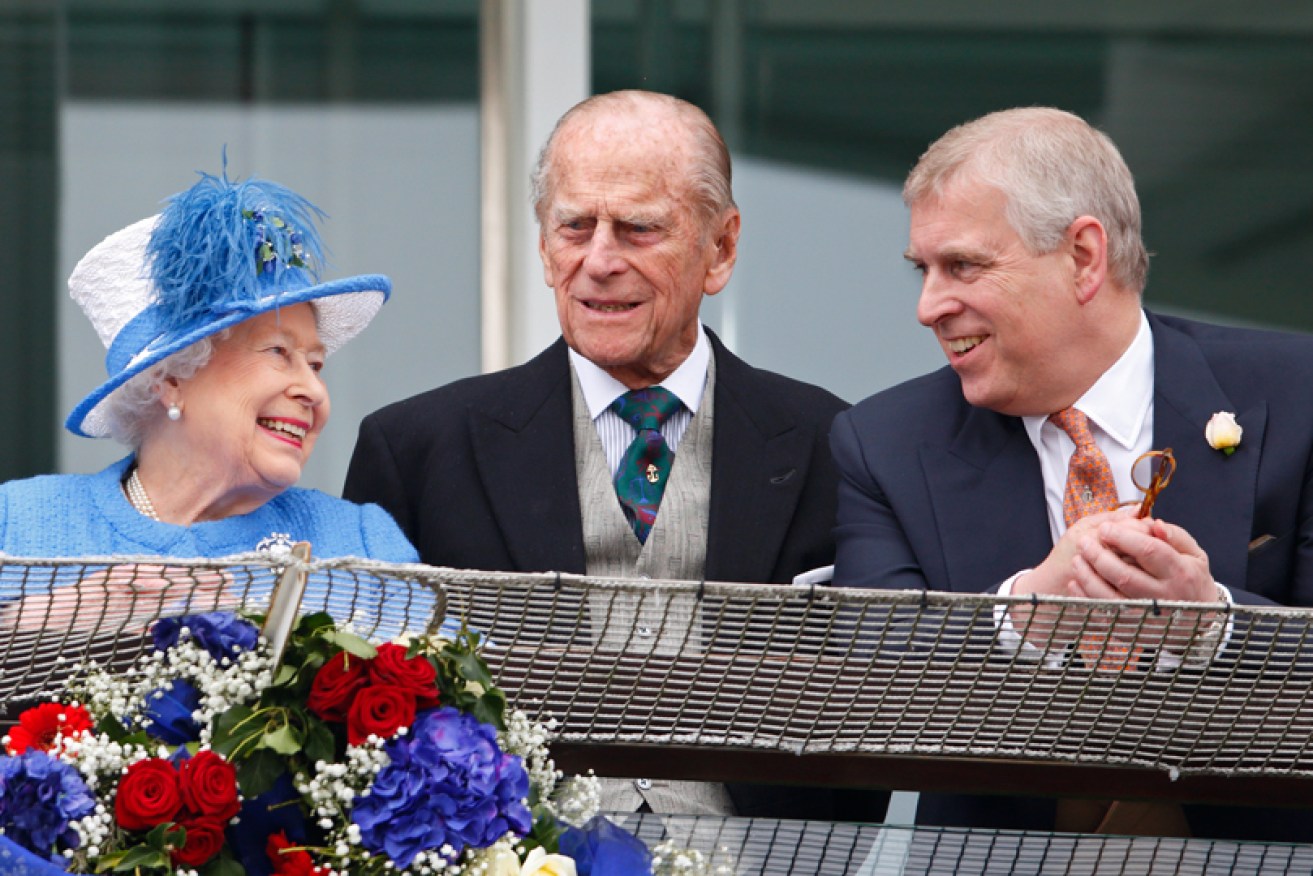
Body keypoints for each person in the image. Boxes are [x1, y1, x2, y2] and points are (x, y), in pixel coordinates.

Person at [345, 90, 867, 820]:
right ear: (541, 243)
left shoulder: (834, 445)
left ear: (720, 247)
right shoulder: (415, 450)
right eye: (574, 226)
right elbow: (369, 714)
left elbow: (862, 703)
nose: (598, 261)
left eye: (638, 229)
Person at [831, 106, 1313, 840]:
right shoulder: (884, 442)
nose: (929, 306)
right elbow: (861, 678)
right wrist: (1019, 615)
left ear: (1083, 257)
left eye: (962, 265)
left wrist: (1213, 624)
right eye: (921, 271)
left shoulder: (1295, 394)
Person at [0, 168, 421, 636]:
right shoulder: (16, 526)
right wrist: (51, 618)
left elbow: (466, 696)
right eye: (279, 352)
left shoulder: (360, 545)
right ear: (172, 377)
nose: (314, 391)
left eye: (316, 365)